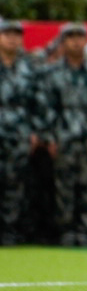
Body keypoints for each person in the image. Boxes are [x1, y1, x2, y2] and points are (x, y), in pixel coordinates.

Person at [36, 23, 87, 245]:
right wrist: (50, 137)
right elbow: (46, 106)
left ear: (86, 41)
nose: (76, 42)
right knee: (64, 187)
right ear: (63, 42)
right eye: (71, 38)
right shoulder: (52, 73)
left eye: (80, 37)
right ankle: (66, 231)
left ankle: (85, 230)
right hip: (64, 137)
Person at [0, 19, 39, 244]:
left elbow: (38, 102)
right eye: (7, 34)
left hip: (19, 132)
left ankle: (10, 231)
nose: (12, 39)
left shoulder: (29, 68)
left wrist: (35, 130)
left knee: (15, 183)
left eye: (16, 35)